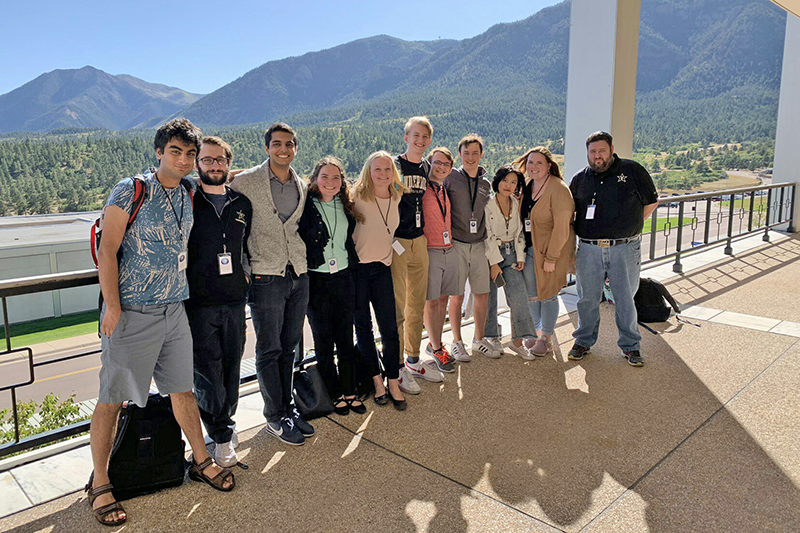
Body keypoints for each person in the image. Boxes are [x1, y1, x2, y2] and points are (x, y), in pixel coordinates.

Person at [90, 119, 234, 526]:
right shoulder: (130, 189)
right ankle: (101, 483)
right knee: (112, 399)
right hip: (133, 312)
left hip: (175, 311)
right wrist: (113, 307)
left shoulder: (189, 191)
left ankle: (200, 460)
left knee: (182, 391)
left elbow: (226, 173)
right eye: (176, 151)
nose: (185, 160)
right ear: (158, 152)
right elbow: (108, 251)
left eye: (191, 154)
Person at [229, 123, 314, 445]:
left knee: (291, 347)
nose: (284, 149)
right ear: (267, 148)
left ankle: (288, 408)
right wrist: (245, 267)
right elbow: (228, 217)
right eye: (277, 144)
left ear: (295, 148)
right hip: (265, 276)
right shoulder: (246, 181)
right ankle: (274, 416)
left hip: (298, 273)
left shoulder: (301, 185)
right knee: (269, 349)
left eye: (289, 144)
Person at [185, 136, 252, 467]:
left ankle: (225, 423)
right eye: (207, 160)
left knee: (232, 365)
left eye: (220, 160)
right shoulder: (187, 199)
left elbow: (246, 247)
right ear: (197, 164)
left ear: (229, 163)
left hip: (236, 300)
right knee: (207, 369)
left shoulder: (241, 204)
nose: (214, 165)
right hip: (198, 302)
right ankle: (220, 435)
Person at [568, 131, 658, 366]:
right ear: (587, 153)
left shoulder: (632, 170)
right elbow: (570, 212)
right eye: (593, 152)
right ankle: (583, 341)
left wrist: (631, 227)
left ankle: (631, 346)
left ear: (611, 149)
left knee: (625, 299)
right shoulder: (580, 179)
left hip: (624, 248)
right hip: (588, 249)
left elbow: (651, 201)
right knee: (586, 298)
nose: (597, 156)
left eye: (601, 151)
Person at [298, 156, 366, 416]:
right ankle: (333, 392)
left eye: (336, 177)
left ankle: (350, 390)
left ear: (342, 181)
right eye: (325, 176)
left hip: (344, 277)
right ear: (315, 180)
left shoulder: (346, 205)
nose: (330, 181)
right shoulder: (305, 206)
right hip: (316, 279)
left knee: (345, 338)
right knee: (323, 340)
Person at [351, 151, 409, 411]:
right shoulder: (355, 198)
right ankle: (377, 381)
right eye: (378, 169)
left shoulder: (396, 196)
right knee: (363, 328)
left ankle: (393, 379)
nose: (383, 174)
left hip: (383, 269)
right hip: (358, 271)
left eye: (387, 169)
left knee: (389, 327)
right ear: (368, 171)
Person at [393, 116, 441, 392]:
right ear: (406, 137)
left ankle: (412, 359)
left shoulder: (425, 167)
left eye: (425, 137)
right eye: (416, 135)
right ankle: (397, 365)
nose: (420, 140)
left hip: (419, 240)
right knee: (398, 305)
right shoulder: (395, 165)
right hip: (397, 241)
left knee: (416, 304)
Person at [513, 146, 575, 357]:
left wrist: (552, 258)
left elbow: (562, 227)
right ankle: (536, 331)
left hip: (549, 253)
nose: (534, 167)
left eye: (539, 162)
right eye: (531, 162)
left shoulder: (558, 189)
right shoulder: (528, 186)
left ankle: (546, 338)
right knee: (532, 296)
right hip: (529, 250)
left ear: (549, 166)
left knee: (548, 295)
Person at [444, 134, 495, 360]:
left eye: (475, 153)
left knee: (482, 294)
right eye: (466, 154)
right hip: (457, 244)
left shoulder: (486, 183)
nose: (471, 158)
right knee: (456, 295)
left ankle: (478, 340)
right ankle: (456, 342)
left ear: (481, 155)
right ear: (460, 155)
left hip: (480, 245)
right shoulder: (451, 178)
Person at [483, 165, 537, 359]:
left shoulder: (515, 203)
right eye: (505, 180)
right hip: (491, 255)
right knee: (490, 298)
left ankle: (518, 342)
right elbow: (487, 235)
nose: (509, 185)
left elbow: (519, 233)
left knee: (519, 296)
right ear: (497, 181)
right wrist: (494, 262)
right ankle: (492, 337)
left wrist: (520, 257)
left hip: (512, 254)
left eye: (514, 182)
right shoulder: (487, 204)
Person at [421, 147, 458, 373]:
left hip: (448, 248)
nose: (441, 167)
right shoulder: (422, 189)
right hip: (430, 249)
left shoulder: (444, 189)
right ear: (429, 164)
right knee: (431, 302)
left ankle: (436, 343)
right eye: (437, 162)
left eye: (446, 164)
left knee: (443, 299)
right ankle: (436, 349)